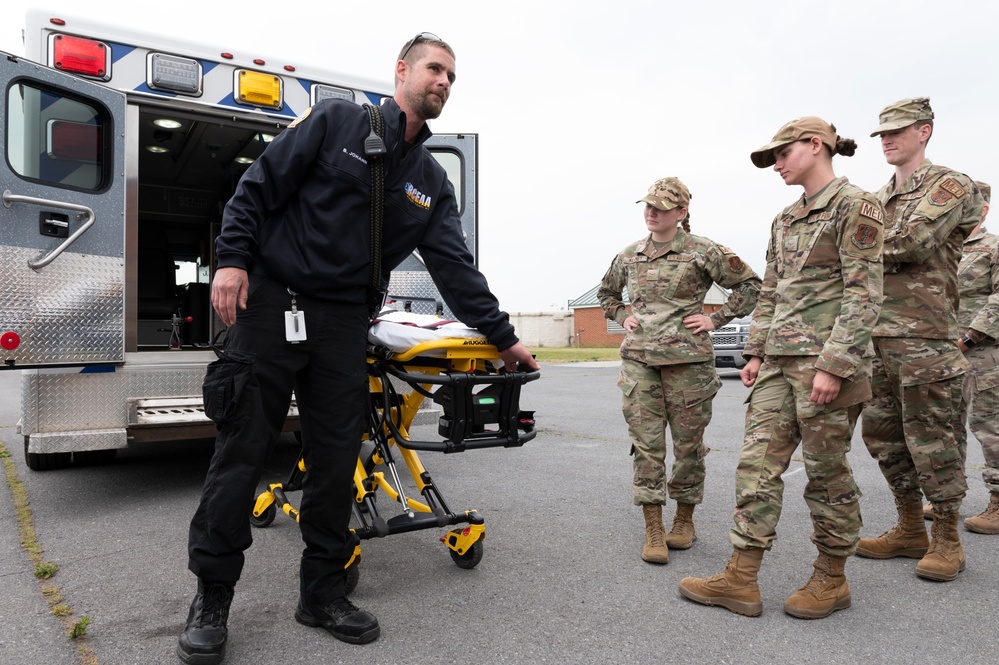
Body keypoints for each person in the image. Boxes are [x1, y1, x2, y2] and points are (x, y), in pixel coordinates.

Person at [177, 33, 538, 665]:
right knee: (242, 452)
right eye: (435, 69)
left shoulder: (429, 181)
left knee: (337, 460)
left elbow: (454, 268)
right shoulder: (338, 121)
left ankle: (321, 593)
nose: (445, 81)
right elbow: (256, 189)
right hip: (273, 305)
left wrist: (504, 339)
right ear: (401, 70)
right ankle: (212, 597)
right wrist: (232, 261)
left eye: (453, 75)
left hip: (344, 325)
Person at [678, 117, 884, 619]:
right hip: (778, 366)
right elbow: (771, 292)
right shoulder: (785, 219)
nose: (777, 164)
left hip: (826, 366)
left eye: (782, 154)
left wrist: (834, 366)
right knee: (755, 467)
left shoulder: (856, 205)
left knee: (825, 473)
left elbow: (864, 293)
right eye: (772, 158)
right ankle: (741, 578)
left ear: (816, 146)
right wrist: (755, 352)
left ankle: (831, 578)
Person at [597, 178, 761, 565]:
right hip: (640, 361)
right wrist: (623, 315)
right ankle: (653, 526)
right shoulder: (629, 254)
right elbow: (605, 293)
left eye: (661, 207)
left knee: (688, 448)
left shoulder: (703, 251)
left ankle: (683, 520)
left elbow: (752, 285)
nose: (651, 213)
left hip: (689, 365)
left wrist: (716, 319)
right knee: (646, 446)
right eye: (648, 206)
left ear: (681, 213)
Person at [857, 98, 984, 582]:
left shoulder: (949, 185)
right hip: (875, 338)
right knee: (884, 438)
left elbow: (913, 242)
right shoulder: (874, 197)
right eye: (882, 133)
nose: (887, 140)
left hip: (925, 338)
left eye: (898, 131)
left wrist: (852, 249)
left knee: (933, 441)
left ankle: (947, 537)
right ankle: (910, 526)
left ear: (924, 131)